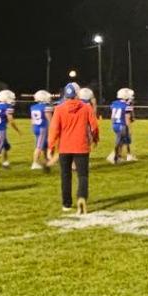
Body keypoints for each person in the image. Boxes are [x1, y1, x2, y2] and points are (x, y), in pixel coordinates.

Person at [47, 82, 99, 214]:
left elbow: (54, 129)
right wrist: (95, 138)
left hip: (64, 147)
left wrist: (51, 147)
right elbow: (94, 126)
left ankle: (66, 204)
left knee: (65, 176)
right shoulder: (86, 107)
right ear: (77, 93)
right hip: (81, 146)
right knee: (82, 175)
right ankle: (81, 197)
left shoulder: (59, 109)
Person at [107, 88, 135, 164]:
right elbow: (127, 118)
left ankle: (118, 156)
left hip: (115, 124)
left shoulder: (114, 103)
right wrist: (129, 129)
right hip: (122, 125)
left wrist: (113, 124)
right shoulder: (126, 105)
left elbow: (112, 117)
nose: (131, 97)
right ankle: (114, 157)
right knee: (120, 142)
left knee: (122, 141)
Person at [29, 90, 54, 170]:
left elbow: (32, 120)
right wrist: (53, 129)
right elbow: (50, 120)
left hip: (36, 127)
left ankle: (46, 160)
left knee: (43, 145)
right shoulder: (46, 107)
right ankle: (35, 163)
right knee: (39, 146)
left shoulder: (33, 107)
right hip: (43, 128)